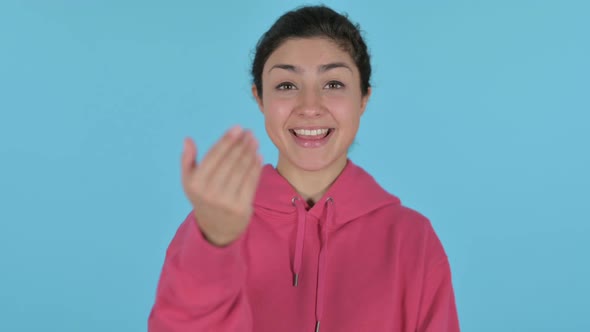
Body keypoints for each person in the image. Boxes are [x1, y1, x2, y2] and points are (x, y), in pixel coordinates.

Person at [148, 5, 460, 332]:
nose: (310, 106)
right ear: (260, 98)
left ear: (364, 99)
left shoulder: (412, 238)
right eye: (286, 85)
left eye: (333, 84)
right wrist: (213, 247)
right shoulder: (212, 225)